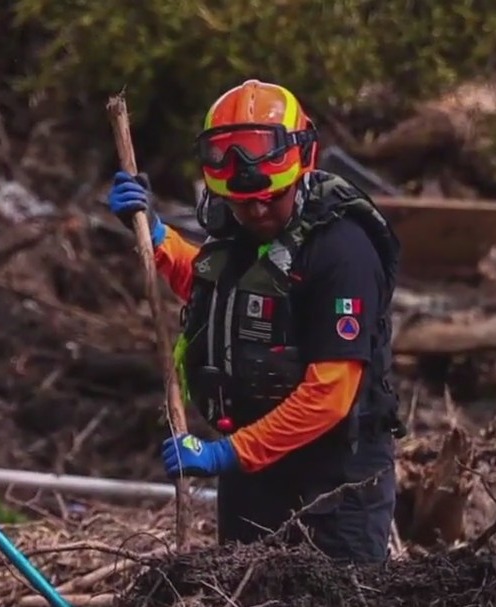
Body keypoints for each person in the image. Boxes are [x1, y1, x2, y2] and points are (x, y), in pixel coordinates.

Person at [105, 79, 405, 563]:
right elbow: (219, 296)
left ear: (301, 167)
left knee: (336, 594)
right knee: (243, 589)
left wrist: (225, 454)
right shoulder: (240, 231)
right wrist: (155, 235)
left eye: (271, 196)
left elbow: (330, 393)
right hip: (253, 475)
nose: (258, 210)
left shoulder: (342, 250)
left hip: (334, 486)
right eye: (242, 202)